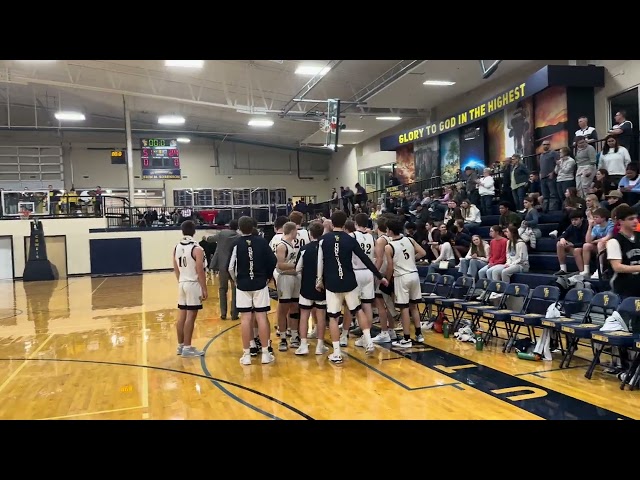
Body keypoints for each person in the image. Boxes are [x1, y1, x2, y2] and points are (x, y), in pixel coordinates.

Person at [316, 210, 387, 364]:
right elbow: (366, 259)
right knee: (358, 309)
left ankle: (337, 353)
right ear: (345, 222)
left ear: (332, 223)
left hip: (332, 283)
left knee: (334, 317)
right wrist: (380, 276)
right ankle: (368, 342)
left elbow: (320, 262)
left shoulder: (323, 240)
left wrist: (319, 280)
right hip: (349, 281)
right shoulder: (350, 239)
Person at [228, 216, 277, 365]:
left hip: (243, 285)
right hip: (260, 284)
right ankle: (265, 353)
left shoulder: (236, 243)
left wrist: (236, 280)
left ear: (239, 228)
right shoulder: (262, 242)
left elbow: (230, 267)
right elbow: (273, 260)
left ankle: (247, 354)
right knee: (262, 317)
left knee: (245, 319)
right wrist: (268, 276)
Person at [384, 215, 427, 348]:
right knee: (414, 306)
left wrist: (387, 279)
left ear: (390, 231)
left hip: (402, 277)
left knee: (404, 308)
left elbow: (390, 267)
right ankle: (419, 334)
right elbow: (423, 253)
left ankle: (407, 338)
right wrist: (411, 260)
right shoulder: (410, 239)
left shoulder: (389, 246)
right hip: (414, 274)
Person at [173, 220, 208, 357]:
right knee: (191, 317)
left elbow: (175, 266)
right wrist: (204, 288)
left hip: (182, 282)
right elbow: (200, 269)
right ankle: (187, 347)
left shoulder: (176, 247)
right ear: (194, 231)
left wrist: (180, 280)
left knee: (182, 315)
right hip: (192, 283)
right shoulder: (197, 248)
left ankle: (181, 346)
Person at [294, 221, 328, 356]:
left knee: (304, 316)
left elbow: (297, 269)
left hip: (306, 287)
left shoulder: (304, 249)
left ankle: (303, 345)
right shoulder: (325, 248)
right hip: (322, 287)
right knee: (321, 317)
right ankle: (320, 345)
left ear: (309, 233)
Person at [274, 222, 300, 352]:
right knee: (283, 309)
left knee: (295, 307)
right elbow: (280, 265)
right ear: (292, 231)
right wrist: (297, 264)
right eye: (296, 230)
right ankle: (283, 338)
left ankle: (294, 336)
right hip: (285, 278)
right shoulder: (282, 245)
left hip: (294, 277)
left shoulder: (293, 244)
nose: (298, 232)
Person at [606, 205, 640, 300]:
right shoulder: (614, 241)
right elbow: (617, 267)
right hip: (623, 286)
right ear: (621, 222)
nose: (635, 221)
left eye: (636, 218)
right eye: (631, 219)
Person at [211, 219, 240, 320]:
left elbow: (211, 239)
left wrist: (205, 237)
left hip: (222, 266)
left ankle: (223, 313)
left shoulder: (222, 233)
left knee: (223, 289)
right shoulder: (239, 237)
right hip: (234, 267)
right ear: (237, 227)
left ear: (229, 226)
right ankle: (234, 314)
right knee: (235, 290)